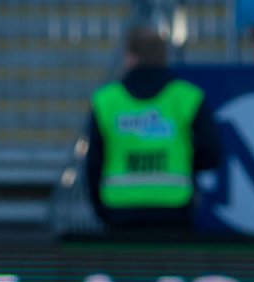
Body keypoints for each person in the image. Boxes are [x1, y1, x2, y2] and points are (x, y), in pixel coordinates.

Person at [83, 26, 222, 233]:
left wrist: (101, 209)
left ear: (130, 57)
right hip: (174, 210)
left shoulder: (106, 100)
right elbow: (212, 153)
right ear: (165, 57)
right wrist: (182, 163)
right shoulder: (188, 97)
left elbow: (93, 161)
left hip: (120, 212)